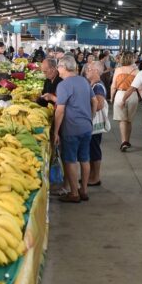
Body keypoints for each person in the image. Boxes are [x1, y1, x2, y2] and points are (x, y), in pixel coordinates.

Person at [53, 55, 93, 204]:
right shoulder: (84, 81)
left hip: (72, 128)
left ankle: (74, 193)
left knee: (70, 160)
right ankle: (84, 190)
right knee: (84, 158)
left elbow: (60, 110)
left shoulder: (63, 85)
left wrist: (55, 132)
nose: (58, 69)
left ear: (64, 67)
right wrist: (90, 117)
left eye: (58, 66)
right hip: (86, 127)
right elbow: (94, 101)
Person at [83, 60, 107, 188]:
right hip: (91, 122)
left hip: (94, 123)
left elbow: (99, 104)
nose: (87, 71)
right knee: (91, 149)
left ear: (96, 71)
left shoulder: (98, 86)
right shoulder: (93, 85)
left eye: (89, 69)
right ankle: (91, 175)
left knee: (94, 149)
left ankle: (95, 177)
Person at [111, 52, 140, 152]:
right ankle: (127, 141)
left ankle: (123, 142)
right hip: (133, 95)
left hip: (120, 94)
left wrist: (111, 97)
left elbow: (113, 85)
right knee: (129, 120)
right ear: (132, 59)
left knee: (122, 120)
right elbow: (140, 87)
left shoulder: (118, 70)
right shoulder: (137, 71)